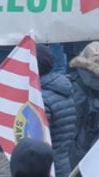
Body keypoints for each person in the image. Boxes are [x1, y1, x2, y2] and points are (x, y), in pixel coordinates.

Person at [36, 44, 76, 177]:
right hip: (63, 160)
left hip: (46, 166)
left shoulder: (41, 98)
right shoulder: (63, 88)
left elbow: (39, 136)